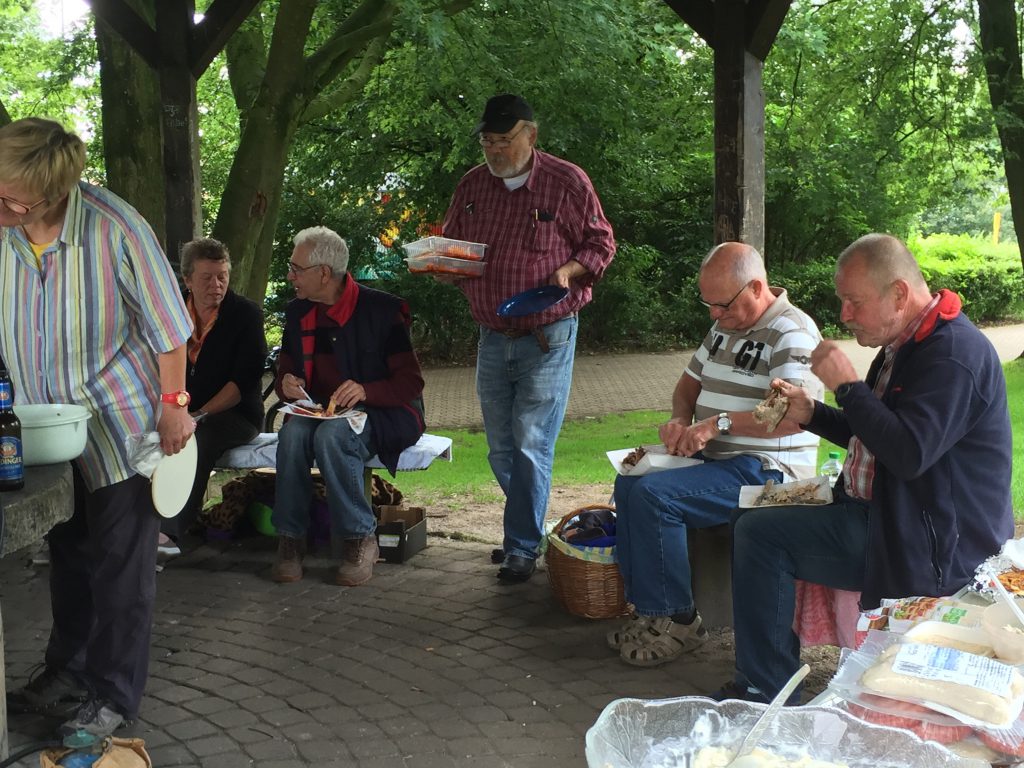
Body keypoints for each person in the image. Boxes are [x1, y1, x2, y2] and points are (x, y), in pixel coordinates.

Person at [716, 233, 1013, 704]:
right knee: (749, 518)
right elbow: (875, 434)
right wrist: (812, 414)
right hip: (885, 515)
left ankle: (766, 688)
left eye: (854, 301)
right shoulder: (905, 344)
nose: (844, 314)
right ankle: (768, 674)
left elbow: (908, 453)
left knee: (760, 534)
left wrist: (848, 387)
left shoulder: (954, 355)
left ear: (899, 294)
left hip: (929, 542)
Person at [0, 118, 194, 738]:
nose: (2, 209)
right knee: (68, 556)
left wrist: (174, 404)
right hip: (45, 429)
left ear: (54, 194)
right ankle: (68, 672)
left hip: (119, 425)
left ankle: (112, 696)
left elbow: (170, 329)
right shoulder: (5, 226)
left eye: (13, 202)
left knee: (120, 570)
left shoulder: (117, 229)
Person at [608, 242, 823, 667]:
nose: (713, 314)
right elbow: (688, 384)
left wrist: (714, 425)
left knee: (655, 497)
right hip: (721, 462)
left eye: (721, 305)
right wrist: (679, 419)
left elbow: (791, 417)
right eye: (708, 304)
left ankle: (679, 621)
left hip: (770, 469)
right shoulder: (726, 324)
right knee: (630, 481)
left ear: (756, 288)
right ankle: (651, 611)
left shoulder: (792, 332)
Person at [441, 93, 616, 582]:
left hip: (547, 335)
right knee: (501, 449)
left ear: (531, 135)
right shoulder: (472, 186)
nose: (495, 150)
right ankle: (529, 530)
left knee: (530, 443)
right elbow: (453, 248)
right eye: (487, 141)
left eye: (504, 139)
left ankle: (520, 546)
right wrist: (444, 266)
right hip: (492, 335)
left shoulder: (566, 182)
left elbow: (601, 243)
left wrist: (569, 270)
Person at [270, 226, 424, 586]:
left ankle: (360, 538)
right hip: (319, 411)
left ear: (324, 273)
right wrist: (286, 383)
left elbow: (411, 383)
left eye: (296, 269)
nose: (290, 276)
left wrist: (366, 391)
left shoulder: (382, 311)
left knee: (333, 436)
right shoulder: (298, 312)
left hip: (384, 413)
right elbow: (286, 370)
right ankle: (291, 539)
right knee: (292, 435)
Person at [157, 237, 267, 555]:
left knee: (195, 440)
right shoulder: (171, 311)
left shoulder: (246, 315)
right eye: (207, 278)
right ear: (188, 279)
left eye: (222, 276)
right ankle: (136, 526)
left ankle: (169, 534)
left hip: (234, 415)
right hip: (179, 409)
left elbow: (242, 384)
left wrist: (197, 414)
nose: (216, 285)